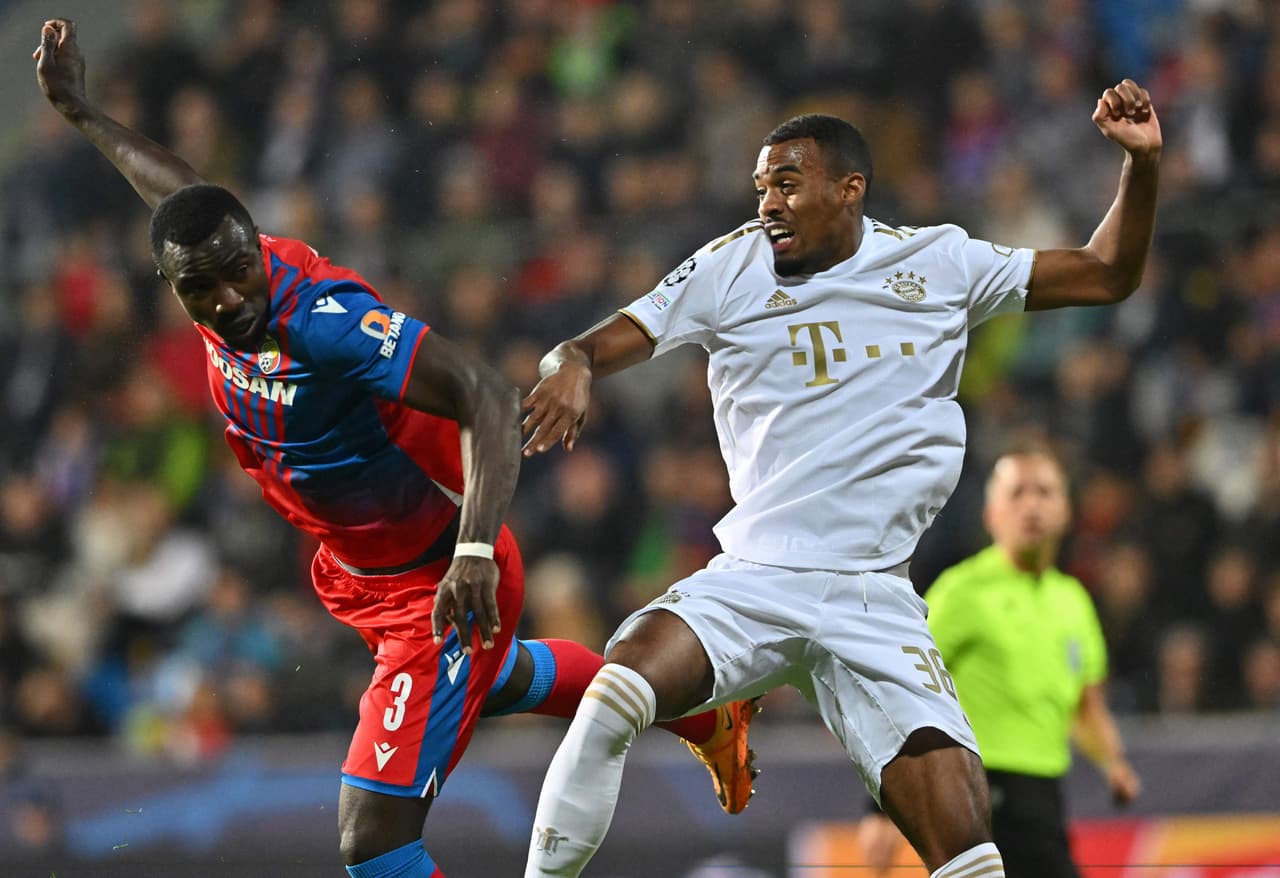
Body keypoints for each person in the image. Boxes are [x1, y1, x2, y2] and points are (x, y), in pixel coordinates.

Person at [33, 19, 755, 878]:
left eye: (238, 272)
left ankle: (683, 707)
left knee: (372, 842)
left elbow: (485, 393)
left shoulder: (321, 324)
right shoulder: (217, 253)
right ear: (174, 282)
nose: (229, 300)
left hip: (439, 576)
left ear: (255, 248)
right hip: (367, 572)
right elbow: (179, 194)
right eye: (202, 287)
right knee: (502, 680)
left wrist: (475, 552)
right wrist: (82, 111)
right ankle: (700, 714)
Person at [520, 73, 1161, 877]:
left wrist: (1142, 166)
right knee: (616, 694)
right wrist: (572, 363)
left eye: (787, 183)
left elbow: (1107, 272)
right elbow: (591, 343)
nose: (767, 204)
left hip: (874, 598)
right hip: (756, 577)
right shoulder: (730, 267)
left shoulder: (941, 263)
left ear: (850, 188)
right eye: (761, 187)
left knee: (973, 859)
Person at [858, 445, 1141, 878]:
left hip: (1045, 797)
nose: (1031, 504)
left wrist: (1113, 763)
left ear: (1066, 510)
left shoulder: (1073, 601)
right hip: (978, 793)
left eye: (1044, 492)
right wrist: (878, 808)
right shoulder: (962, 592)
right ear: (992, 515)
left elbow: (1085, 704)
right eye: (1017, 493)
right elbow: (899, 690)